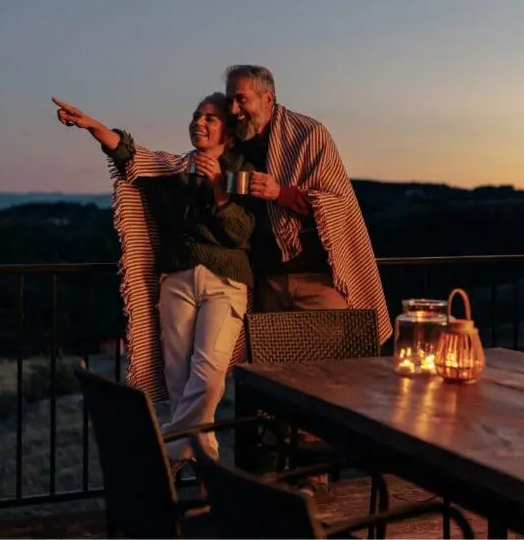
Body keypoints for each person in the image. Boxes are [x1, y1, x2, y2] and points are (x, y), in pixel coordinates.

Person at [52, 93, 255, 464]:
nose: (200, 123)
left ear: (227, 130)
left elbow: (242, 233)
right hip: (176, 280)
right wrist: (92, 126)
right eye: (196, 116)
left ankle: (161, 453)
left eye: (210, 118)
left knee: (208, 377)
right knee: (179, 382)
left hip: (224, 283)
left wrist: (218, 189)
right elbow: (130, 156)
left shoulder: (242, 172)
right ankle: (204, 483)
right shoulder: (171, 168)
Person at [224, 64, 390, 338]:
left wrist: (281, 193)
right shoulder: (233, 144)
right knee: (270, 375)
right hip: (266, 284)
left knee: (331, 372)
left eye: (241, 99)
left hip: (319, 282)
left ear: (268, 98)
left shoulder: (309, 135)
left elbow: (337, 203)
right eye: (229, 100)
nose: (233, 109)